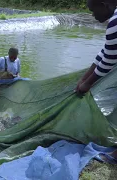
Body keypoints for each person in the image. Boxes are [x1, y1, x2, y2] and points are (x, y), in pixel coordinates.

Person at [75, 0, 117, 160]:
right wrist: (83, 78)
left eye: (93, 11)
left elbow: (108, 61)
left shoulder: (115, 22)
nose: (93, 16)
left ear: (104, 4)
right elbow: (105, 52)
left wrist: (86, 84)